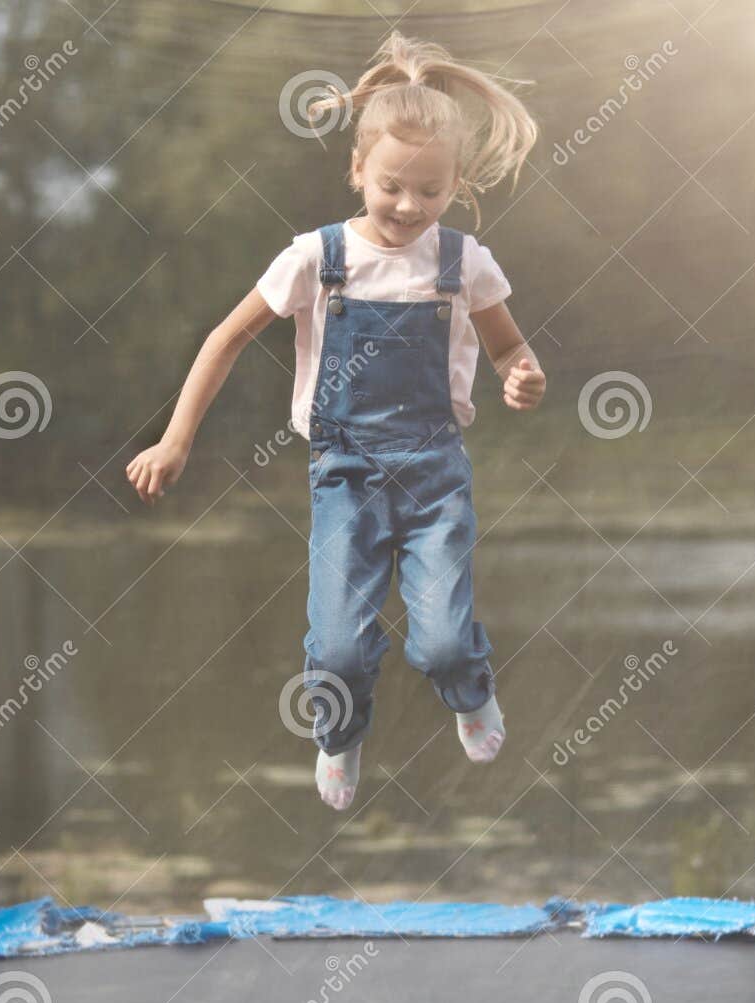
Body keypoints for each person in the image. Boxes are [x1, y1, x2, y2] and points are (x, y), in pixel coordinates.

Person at [126, 31, 546, 811]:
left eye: (430, 191)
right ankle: (339, 731)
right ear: (358, 170)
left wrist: (522, 374)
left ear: (455, 185)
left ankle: (470, 690)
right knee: (342, 647)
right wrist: (176, 437)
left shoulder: (465, 263)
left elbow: (509, 347)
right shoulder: (316, 259)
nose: (409, 207)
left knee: (444, 640)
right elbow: (225, 338)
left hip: (434, 475)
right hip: (345, 474)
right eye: (392, 186)